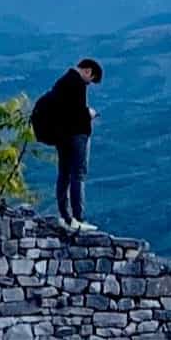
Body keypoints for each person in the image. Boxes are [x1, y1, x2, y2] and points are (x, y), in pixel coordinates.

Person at [30, 58, 103, 230]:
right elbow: (76, 113)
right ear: (88, 71)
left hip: (62, 137)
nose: (89, 83)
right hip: (76, 137)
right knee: (78, 174)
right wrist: (89, 114)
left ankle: (65, 215)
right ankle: (78, 218)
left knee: (64, 174)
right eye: (91, 80)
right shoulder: (77, 84)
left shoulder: (62, 82)